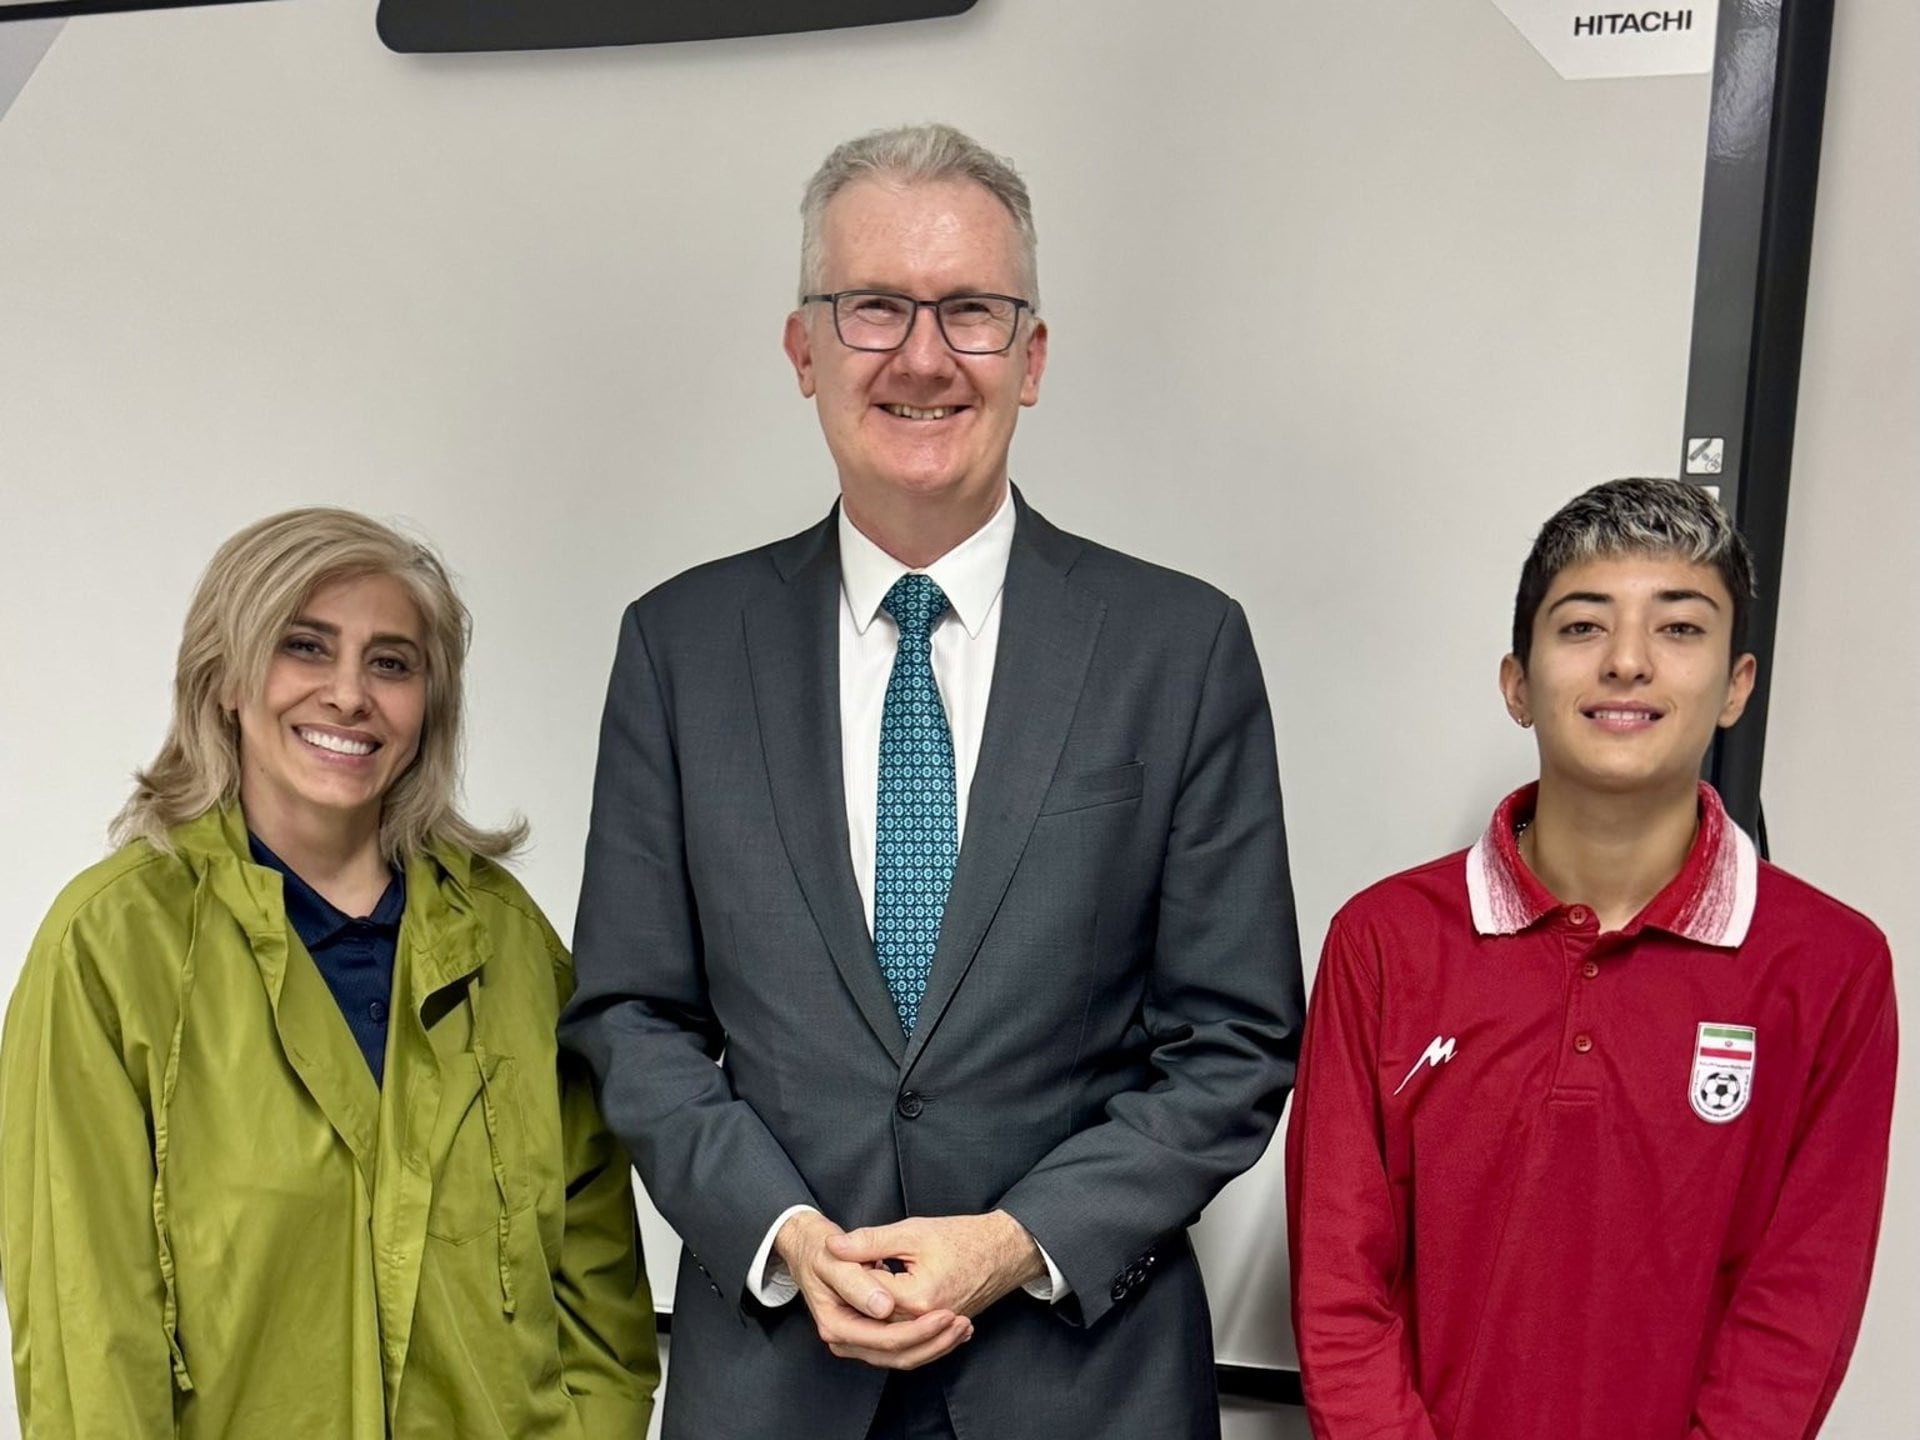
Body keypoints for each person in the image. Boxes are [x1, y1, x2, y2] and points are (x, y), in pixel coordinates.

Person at [564, 123, 1303, 1440]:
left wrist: (1020, 1240)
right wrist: (784, 1235)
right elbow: (634, 1019)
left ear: (1031, 357)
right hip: (774, 1381)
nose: (920, 355)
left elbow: (1233, 1038)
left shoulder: (1178, 649)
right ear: (803, 351)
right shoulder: (679, 649)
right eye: (873, 309)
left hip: (1088, 1382)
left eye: (969, 310)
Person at [0, 508, 659, 1438]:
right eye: (304, 647)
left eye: (391, 662)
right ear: (225, 676)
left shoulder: (510, 947)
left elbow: (603, 1295)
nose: (350, 695)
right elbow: (87, 1336)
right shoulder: (112, 947)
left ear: (430, 704)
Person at [1285, 477, 1897, 1440]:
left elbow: (1799, 1307)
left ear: (1737, 684)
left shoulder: (1830, 966)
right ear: (1518, 684)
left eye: (1680, 628)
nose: (1626, 662)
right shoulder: (1384, 940)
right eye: (1581, 627)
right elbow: (1340, 1283)